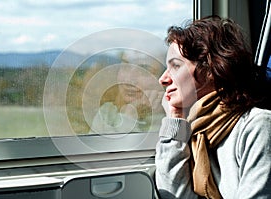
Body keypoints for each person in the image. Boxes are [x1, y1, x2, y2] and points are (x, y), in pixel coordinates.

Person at [154, 15, 271, 199]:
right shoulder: (196, 130)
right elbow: (174, 196)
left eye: (176, 66)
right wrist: (175, 118)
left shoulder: (258, 126)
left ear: (210, 70)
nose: (163, 79)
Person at [89, 62, 165, 134]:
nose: (129, 80)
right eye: (125, 67)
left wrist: (128, 119)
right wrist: (130, 114)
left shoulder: (169, 119)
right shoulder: (107, 112)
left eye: (144, 70)